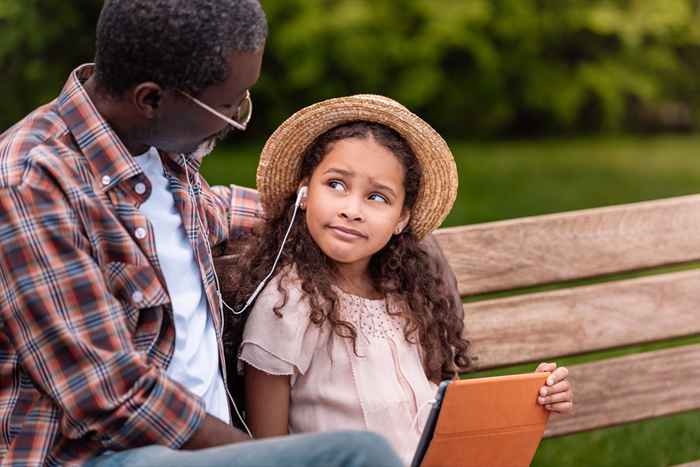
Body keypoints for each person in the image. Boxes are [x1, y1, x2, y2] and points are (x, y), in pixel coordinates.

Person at [0, 1, 405, 466]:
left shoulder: (159, 152)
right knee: (360, 455)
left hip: (199, 453)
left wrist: (370, 225)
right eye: (229, 102)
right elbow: (107, 395)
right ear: (151, 99)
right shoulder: (30, 182)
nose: (236, 118)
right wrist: (262, 458)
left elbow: (218, 211)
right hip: (102, 456)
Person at [225, 95, 574, 465]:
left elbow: (441, 423)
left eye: (377, 196)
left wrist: (534, 399)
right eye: (336, 185)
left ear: (402, 219)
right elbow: (268, 454)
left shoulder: (408, 297)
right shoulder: (287, 304)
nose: (351, 209)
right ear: (305, 192)